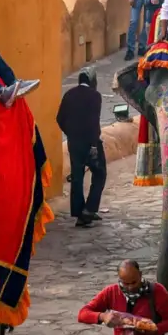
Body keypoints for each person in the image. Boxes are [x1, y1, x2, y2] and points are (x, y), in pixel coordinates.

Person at [57, 66, 106, 228]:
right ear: (92, 81)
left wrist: (71, 133)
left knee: (77, 177)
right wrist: (93, 144)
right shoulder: (95, 96)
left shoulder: (69, 94)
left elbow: (60, 118)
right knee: (100, 174)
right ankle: (89, 209)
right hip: (91, 142)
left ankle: (79, 211)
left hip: (74, 143)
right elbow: (94, 122)